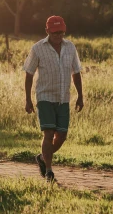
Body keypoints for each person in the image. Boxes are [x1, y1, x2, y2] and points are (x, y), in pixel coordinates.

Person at [23, 15, 84, 182]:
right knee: (48, 133)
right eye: (55, 32)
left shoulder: (70, 47)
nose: (59, 35)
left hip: (63, 97)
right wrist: (28, 99)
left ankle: (42, 158)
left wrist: (80, 96)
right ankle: (49, 171)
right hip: (45, 96)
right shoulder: (37, 49)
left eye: (62, 32)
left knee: (62, 136)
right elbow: (29, 74)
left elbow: (76, 72)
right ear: (47, 31)